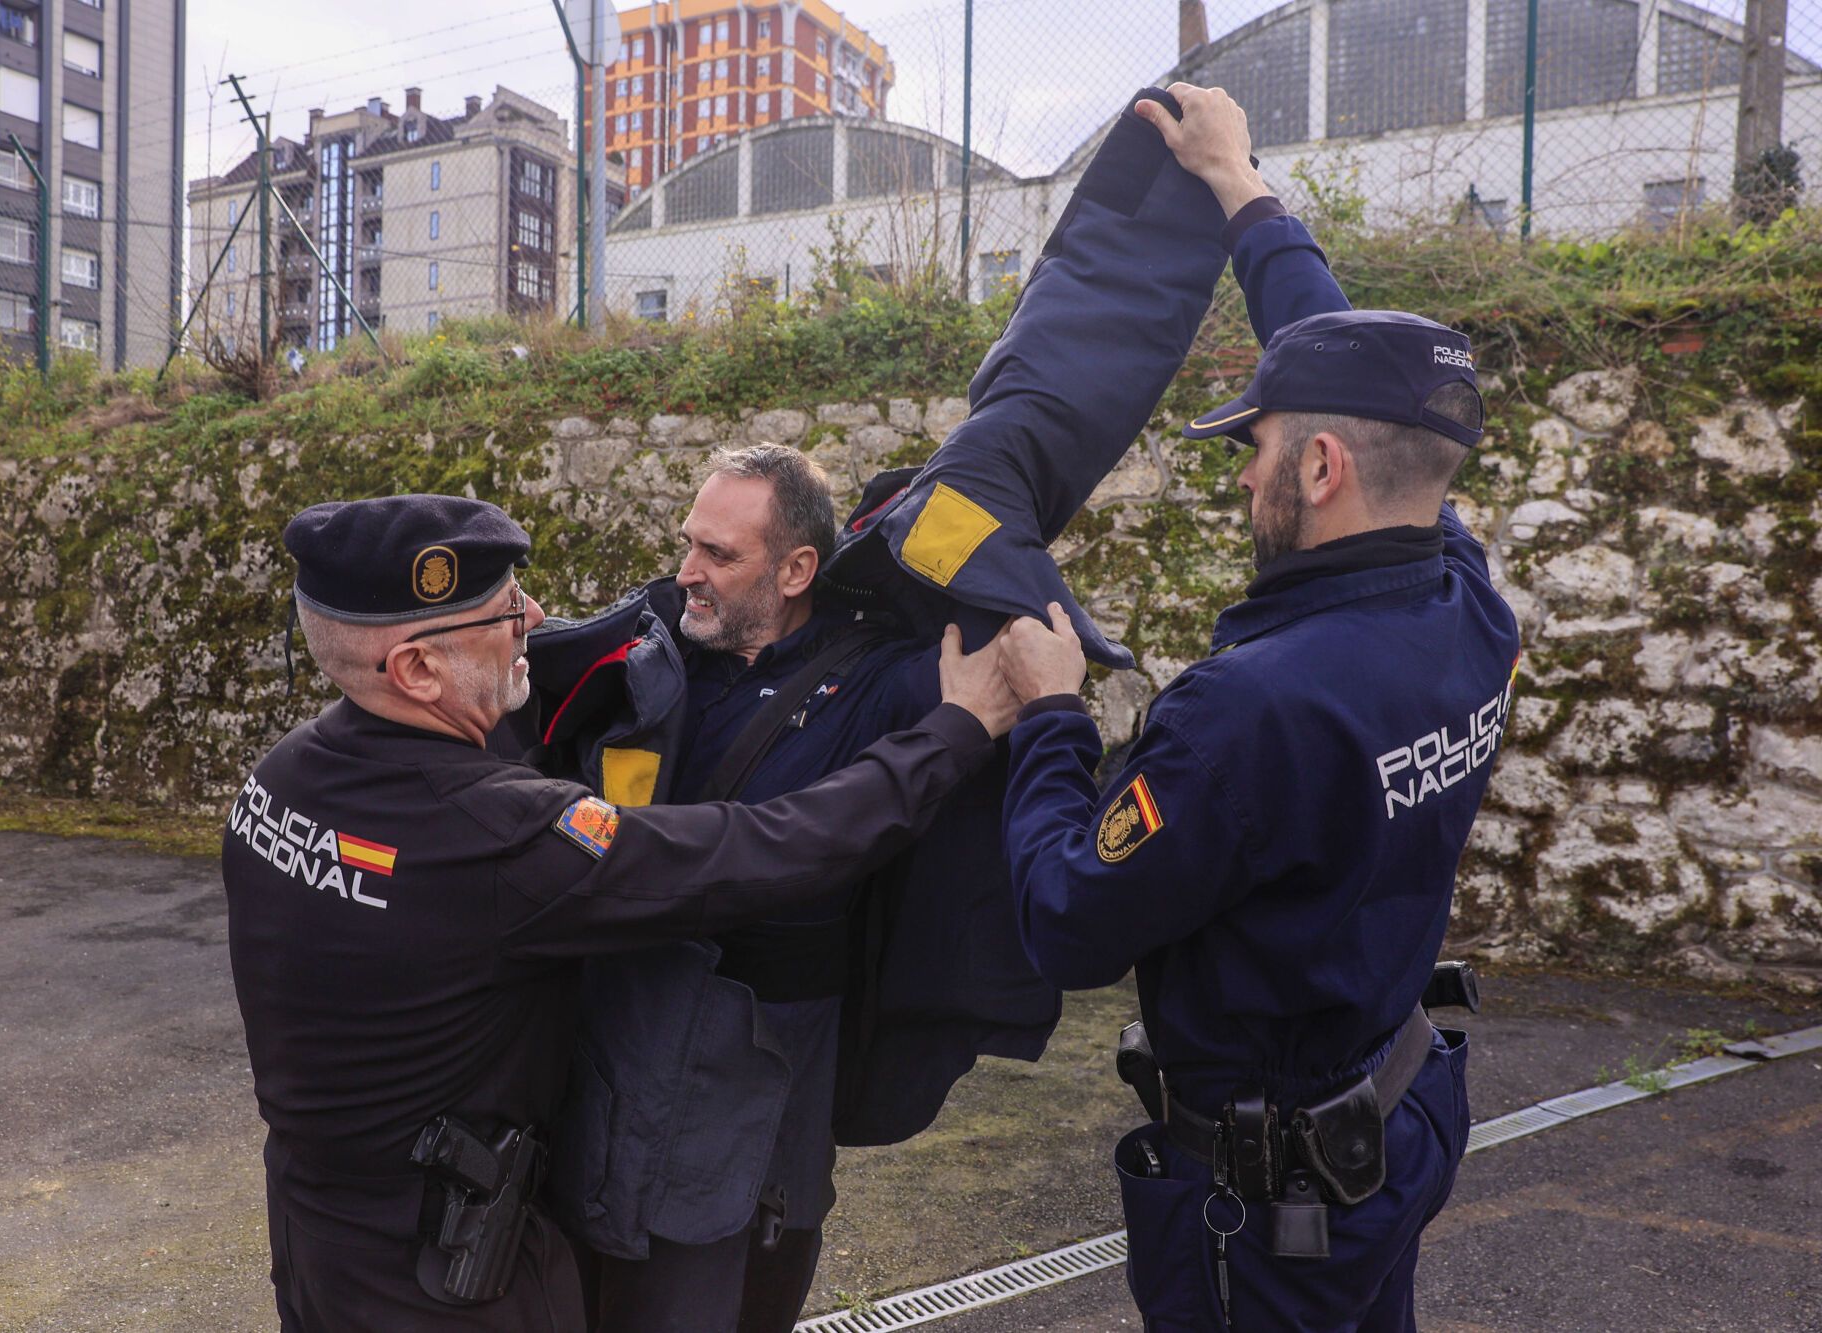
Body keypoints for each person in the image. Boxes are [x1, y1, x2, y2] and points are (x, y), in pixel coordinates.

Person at [523, 85, 1233, 1333]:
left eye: (720, 556)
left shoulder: (904, 673)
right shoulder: (643, 649)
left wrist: (1158, 197)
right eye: (684, 542)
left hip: (766, 1078)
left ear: (798, 569)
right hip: (615, 1064)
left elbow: (1038, 407)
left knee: (745, 1292)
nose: (686, 570)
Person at [219, 492, 1020, 1332]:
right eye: (502, 613)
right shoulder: (498, 835)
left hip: (315, 1237)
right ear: (418, 671)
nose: (533, 616)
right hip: (442, 1275)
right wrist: (959, 728)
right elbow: (764, 850)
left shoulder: (278, 782)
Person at [995, 84, 1521, 1332]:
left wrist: (1051, 722)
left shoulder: (1245, 713)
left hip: (1273, 1204)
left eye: (1256, 445)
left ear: (1321, 467)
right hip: (1389, 1121)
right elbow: (1356, 370)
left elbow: (1069, 921)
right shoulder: (1461, 596)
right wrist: (1241, 191)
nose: (1244, 473)